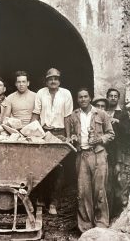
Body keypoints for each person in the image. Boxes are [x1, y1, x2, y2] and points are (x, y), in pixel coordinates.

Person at [68, 88, 114, 233]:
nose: (83, 99)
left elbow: (111, 134)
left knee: (99, 190)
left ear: (90, 98)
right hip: (82, 156)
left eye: (85, 96)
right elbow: (70, 135)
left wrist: (100, 139)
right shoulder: (73, 116)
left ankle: (101, 224)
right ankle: (86, 227)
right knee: (83, 192)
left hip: (99, 155)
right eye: (80, 97)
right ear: (77, 99)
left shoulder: (101, 114)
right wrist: (73, 138)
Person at [31, 68, 73, 215]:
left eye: (56, 78)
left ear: (59, 80)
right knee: (41, 167)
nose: (53, 81)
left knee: (58, 169)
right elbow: (36, 114)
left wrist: (68, 137)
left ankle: (54, 202)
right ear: (46, 81)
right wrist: (31, 132)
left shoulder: (66, 93)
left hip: (60, 132)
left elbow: (68, 117)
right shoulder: (40, 93)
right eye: (50, 79)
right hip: (44, 132)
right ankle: (41, 200)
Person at [106, 88, 123, 217]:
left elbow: (125, 135)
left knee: (115, 182)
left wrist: (118, 122)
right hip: (104, 150)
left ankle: (116, 213)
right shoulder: (103, 112)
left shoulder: (121, 114)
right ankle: (106, 213)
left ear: (118, 98)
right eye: (110, 96)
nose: (113, 98)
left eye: (115, 96)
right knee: (105, 184)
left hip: (115, 151)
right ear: (107, 98)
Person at [114, 103, 130, 214]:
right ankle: (123, 210)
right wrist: (120, 160)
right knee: (123, 181)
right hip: (126, 154)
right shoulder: (123, 119)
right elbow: (120, 141)